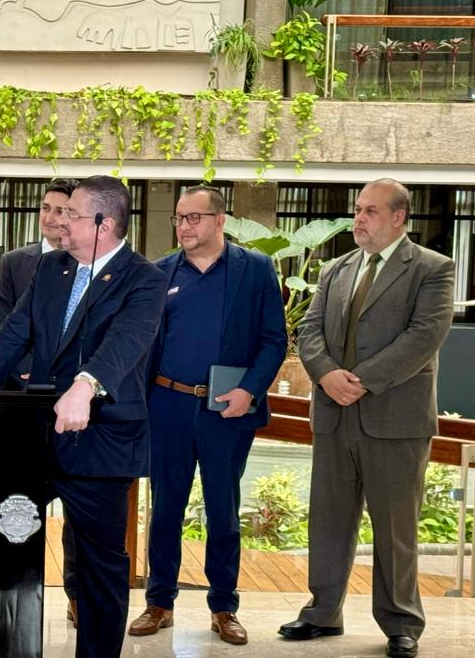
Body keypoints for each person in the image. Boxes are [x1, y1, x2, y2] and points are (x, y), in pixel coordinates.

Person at [0, 175, 167, 658]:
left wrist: (86, 386)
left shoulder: (143, 279)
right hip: (36, 438)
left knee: (99, 564)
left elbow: (124, 342)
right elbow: (13, 336)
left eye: (72, 215)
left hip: (102, 442)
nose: (60, 222)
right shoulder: (51, 268)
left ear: (104, 223)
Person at [279, 178, 454, 658]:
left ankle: (401, 623)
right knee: (329, 521)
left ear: (398, 217)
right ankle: (322, 613)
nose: (358, 219)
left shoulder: (433, 268)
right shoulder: (335, 268)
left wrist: (359, 381)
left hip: (396, 419)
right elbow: (310, 329)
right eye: (358, 210)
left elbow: (424, 336)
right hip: (334, 415)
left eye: (370, 211)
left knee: (395, 529)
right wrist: (326, 375)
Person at [128, 186, 286, 645]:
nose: (184, 226)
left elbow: (274, 339)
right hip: (168, 405)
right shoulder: (160, 272)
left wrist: (249, 391)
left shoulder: (255, 269)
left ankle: (223, 607)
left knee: (223, 511)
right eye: (179, 218)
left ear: (220, 221)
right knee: (165, 510)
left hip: (227, 408)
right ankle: (159, 602)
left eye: (194, 217)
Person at [0, 178, 81, 628]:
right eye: (46, 208)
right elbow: (5, 326)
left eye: (62, 210)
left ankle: (77, 596)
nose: (51, 217)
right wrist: (30, 371)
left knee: (78, 513)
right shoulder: (15, 262)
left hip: (77, 410)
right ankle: (0, 612)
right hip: (22, 408)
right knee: (5, 508)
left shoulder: (94, 266)